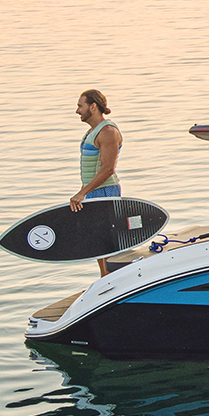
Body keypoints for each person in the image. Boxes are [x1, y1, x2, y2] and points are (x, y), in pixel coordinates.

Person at [71, 89, 123, 276]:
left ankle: (112, 280)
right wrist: (84, 191)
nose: (77, 110)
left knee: (106, 242)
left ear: (93, 106)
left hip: (105, 191)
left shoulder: (108, 132)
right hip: (93, 191)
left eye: (80, 106)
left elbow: (108, 169)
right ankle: (104, 279)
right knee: (97, 243)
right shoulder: (92, 132)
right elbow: (91, 170)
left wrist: (82, 193)